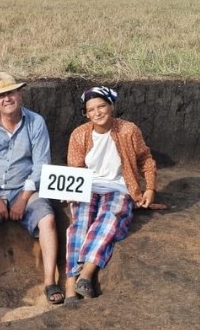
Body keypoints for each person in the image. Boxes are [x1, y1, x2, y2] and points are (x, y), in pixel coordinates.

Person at [0, 72, 64, 304]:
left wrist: (23, 198)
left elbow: (41, 164)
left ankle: (50, 282)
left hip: (26, 188)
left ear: (19, 94)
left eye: (10, 92)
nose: (7, 99)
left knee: (48, 220)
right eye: (0, 96)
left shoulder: (36, 122)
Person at [64, 86, 158, 304]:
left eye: (101, 106)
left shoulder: (128, 130)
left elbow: (146, 158)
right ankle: (70, 285)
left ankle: (86, 275)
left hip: (119, 187)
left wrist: (150, 187)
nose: (97, 113)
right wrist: (69, 191)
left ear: (111, 106)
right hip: (88, 186)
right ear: (86, 113)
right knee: (80, 223)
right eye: (91, 109)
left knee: (108, 218)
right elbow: (75, 168)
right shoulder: (79, 134)